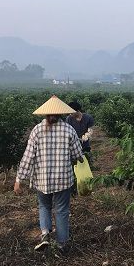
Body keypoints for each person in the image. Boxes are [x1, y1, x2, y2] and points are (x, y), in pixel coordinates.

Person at [14, 95, 83, 253]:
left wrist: (19, 179)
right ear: (60, 114)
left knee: (44, 206)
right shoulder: (68, 129)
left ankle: (45, 234)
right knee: (62, 210)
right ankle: (62, 244)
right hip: (63, 179)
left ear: (45, 114)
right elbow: (78, 155)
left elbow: (28, 156)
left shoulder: (37, 130)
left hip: (42, 180)